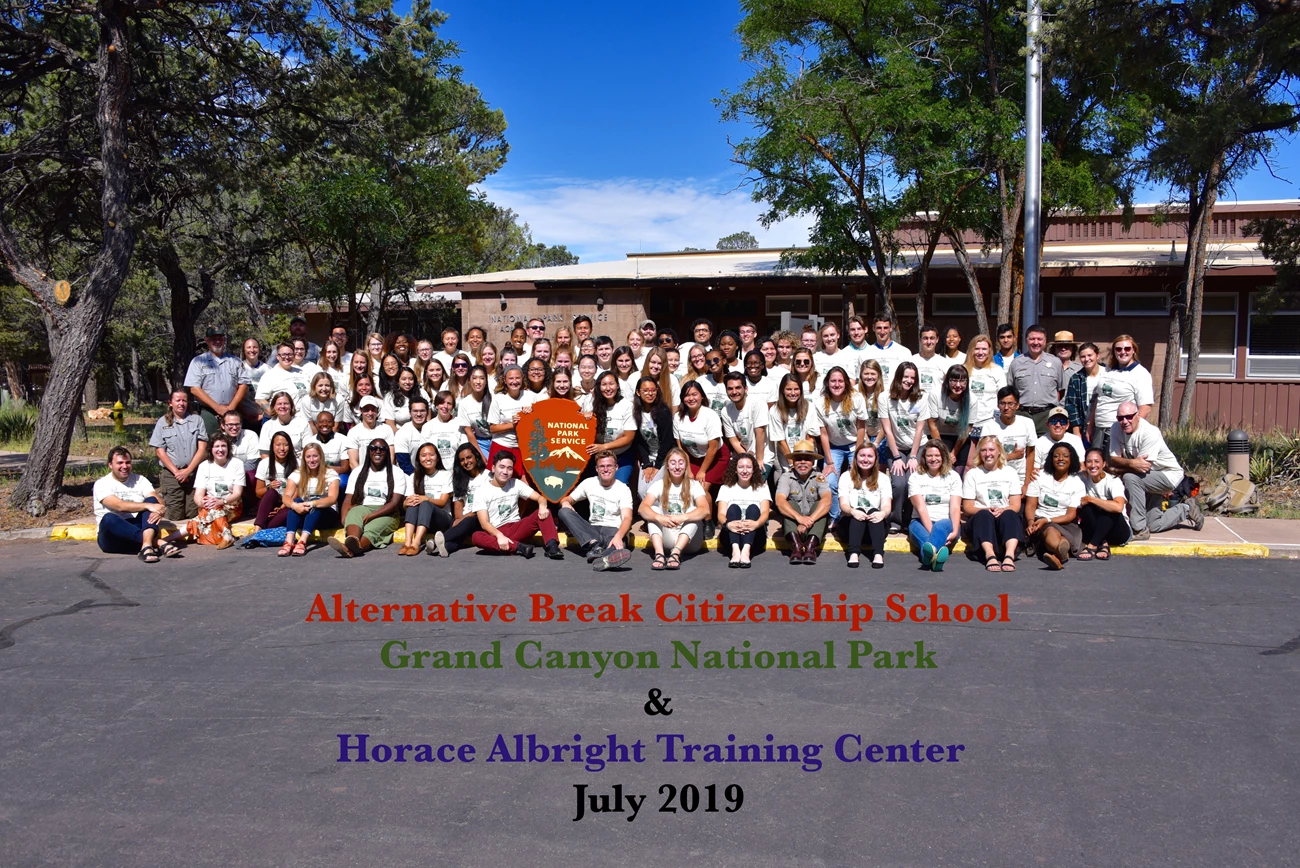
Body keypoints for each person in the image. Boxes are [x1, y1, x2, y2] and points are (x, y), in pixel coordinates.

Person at [1107, 401, 1203, 540]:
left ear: (1137, 415)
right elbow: (1113, 458)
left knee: (1129, 478)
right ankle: (1187, 509)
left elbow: (1143, 467)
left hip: (1168, 475)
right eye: (1120, 418)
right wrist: (1131, 463)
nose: (1125, 421)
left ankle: (1139, 529)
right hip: (1148, 478)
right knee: (1153, 524)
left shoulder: (1149, 432)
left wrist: (1120, 468)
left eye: (1129, 417)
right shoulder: (1116, 428)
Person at [468, 452, 564, 559]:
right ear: (493, 468)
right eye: (502, 467)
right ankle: (519, 547)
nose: (505, 472)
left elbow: (540, 498)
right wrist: (499, 536)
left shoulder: (516, 483)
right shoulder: (481, 491)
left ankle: (552, 547)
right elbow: (484, 523)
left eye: (509, 468)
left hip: (517, 528)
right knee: (476, 536)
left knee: (544, 512)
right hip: (496, 531)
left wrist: (542, 505)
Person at [327, 437, 407, 556]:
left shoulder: (397, 472)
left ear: (387, 452)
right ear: (368, 451)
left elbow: (394, 502)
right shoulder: (358, 471)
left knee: (372, 529)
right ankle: (352, 541)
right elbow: (348, 499)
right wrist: (344, 519)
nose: (378, 451)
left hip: (387, 511)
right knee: (354, 513)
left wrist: (372, 515)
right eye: (373, 448)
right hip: (363, 508)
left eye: (382, 449)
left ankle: (352, 548)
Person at [559, 450, 635, 571]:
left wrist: (619, 536)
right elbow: (567, 498)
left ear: (616, 467)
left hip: (612, 531)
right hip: (593, 530)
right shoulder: (589, 483)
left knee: (618, 546)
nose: (606, 469)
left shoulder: (623, 489)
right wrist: (566, 502)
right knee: (564, 512)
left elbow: (627, 518)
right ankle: (595, 547)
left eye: (609, 466)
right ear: (597, 469)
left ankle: (603, 557)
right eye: (602, 466)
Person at [93, 447, 174, 560]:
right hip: (112, 538)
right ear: (110, 465)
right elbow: (119, 506)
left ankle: (146, 547)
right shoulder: (102, 484)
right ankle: (157, 543)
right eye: (120, 463)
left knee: (151, 501)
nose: (125, 466)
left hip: (137, 528)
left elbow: (157, 501)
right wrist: (147, 506)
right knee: (108, 518)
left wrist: (160, 509)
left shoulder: (140, 480)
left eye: (128, 462)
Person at [639, 447, 711, 570]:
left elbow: (705, 510)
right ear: (667, 466)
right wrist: (659, 518)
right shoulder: (658, 485)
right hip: (668, 536)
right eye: (673, 463)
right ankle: (659, 554)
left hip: (690, 541)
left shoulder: (694, 485)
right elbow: (642, 508)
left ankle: (676, 554)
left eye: (681, 462)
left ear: (686, 465)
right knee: (653, 510)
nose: (677, 467)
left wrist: (683, 517)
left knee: (693, 510)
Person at [962, 435, 1025, 572]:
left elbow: (1016, 505)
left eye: (991, 449)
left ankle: (1009, 555)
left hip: (1003, 518)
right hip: (981, 520)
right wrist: (987, 509)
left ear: (999, 452)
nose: (987, 454)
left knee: (1010, 514)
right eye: (983, 450)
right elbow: (967, 507)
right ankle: (989, 555)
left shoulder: (1010, 472)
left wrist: (1002, 510)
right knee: (984, 514)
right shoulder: (973, 474)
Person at [816, 366, 866, 523]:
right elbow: (823, 434)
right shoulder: (820, 402)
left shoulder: (856, 398)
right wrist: (829, 462)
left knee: (857, 479)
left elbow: (861, 428)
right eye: (833, 381)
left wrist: (857, 457)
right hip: (834, 447)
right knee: (829, 482)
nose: (836, 385)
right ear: (827, 383)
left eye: (840, 381)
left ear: (846, 383)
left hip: (855, 445)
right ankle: (836, 517)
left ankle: (854, 514)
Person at [1025, 441, 1086, 569]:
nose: (1060, 459)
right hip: (1040, 521)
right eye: (1056, 456)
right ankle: (1062, 551)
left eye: (1065, 456)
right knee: (1051, 531)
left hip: (1066, 523)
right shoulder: (1039, 476)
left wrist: (1047, 520)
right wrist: (1031, 522)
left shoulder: (1077, 483)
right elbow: (1031, 505)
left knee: (1051, 530)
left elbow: (1070, 515)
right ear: (1051, 459)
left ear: (1072, 459)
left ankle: (1059, 553)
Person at [151, 389, 208, 522]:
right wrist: (177, 472)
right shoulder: (162, 422)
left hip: (193, 473)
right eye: (178, 400)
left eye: (184, 400)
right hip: (172, 475)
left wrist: (188, 471)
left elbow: (202, 448)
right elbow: (160, 451)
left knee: (193, 513)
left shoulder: (197, 420)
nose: (181, 403)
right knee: (175, 516)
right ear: (170, 403)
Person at [1092, 335, 1154, 455]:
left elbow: (1145, 407)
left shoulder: (1140, 374)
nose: (1123, 352)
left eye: (1127, 349)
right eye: (1118, 349)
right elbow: (1099, 398)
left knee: (1113, 466)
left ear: (1134, 350)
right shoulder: (1109, 370)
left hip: (1118, 430)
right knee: (1097, 465)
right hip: (1099, 427)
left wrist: (1128, 430)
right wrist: (1090, 426)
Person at [775, 438, 833, 565]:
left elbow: (827, 500)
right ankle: (795, 548)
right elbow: (779, 501)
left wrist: (808, 520)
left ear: (812, 462)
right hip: (794, 527)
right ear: (793, 462)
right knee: (788, 503)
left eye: (807, 459)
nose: (802, 462)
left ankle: (810, 548)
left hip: (814, 527)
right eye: (798, 459)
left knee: (820, 504)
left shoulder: (819, 477)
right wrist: (799, 518)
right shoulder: (786, 477)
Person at [907, 439, 962, 571]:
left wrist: (954, 531)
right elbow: (921, 508)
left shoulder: (953, 476)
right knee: (928, 540)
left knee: (938, 529)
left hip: (947, 523)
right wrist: (936, 535)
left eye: (937, 455)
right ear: (924, 458)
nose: (933, 459)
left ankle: (928, 559)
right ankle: (936, 560)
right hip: (920, 522)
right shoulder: (915, 477)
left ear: (943, 457)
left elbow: (955, 507)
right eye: (929, 456)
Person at [882, 362, 925, 528]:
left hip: (917, 446)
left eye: (912, 378)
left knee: (912, 480)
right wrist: (897, 457)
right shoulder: (885, 398)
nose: (909, 381)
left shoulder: (921, 397)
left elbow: (920, 429)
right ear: (898, 376)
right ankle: (896, 519)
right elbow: (887, 429)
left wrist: (914, 456)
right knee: (899, 483)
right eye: (905, 376)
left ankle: (909, 519)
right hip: (896, 447)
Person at [279, 441, 341, 556]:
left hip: (326, 515)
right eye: (308, 457)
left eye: (315, 456)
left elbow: (332, 498)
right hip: (306, 513)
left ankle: (302, 541)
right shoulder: (297, 473)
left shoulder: (330, 474)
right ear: (304, 459)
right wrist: (294, 505)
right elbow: (286, 497)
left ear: (321, 457)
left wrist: (313, 503)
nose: (312, 460)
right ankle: (288, 541)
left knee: (316, 506)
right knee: (297, 501)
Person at [185, 327, 250, 436]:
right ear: (207, 340)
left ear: (224, 340)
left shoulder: (235, 361)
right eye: (213, 339)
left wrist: (230, 408)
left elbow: (243, 386)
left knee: (233, 444)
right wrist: (217, 408)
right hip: (208, 411)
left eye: (220, 338)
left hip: (232, 411)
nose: (217, 341)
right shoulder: (198, 362)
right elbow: (194, 389)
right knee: (210, 444)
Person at [1006, 325, 1067, 436]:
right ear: (1026, 340)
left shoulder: (1055, 362)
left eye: (1039, 339)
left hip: (1047, 415)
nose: (1036, 342)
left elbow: (1060, 391)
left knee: (1046, 449)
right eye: (1032, 339)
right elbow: (1011, 390)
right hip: (1022, 414)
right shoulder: (1016, 363)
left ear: (1045, 341)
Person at [186, 433, 244, 549]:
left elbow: (237, 493)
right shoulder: (204, 466)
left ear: (228, 448)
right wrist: (202, 503)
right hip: (209, 505)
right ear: (211, 449)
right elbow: (198, 494)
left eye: (223, 446)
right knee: (210, 507)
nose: (220, 450)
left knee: (211, 509)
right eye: (216, 446)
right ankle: (227, 536)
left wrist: (220, 501)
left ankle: (168, 540)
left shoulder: (237, 464)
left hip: (231, 505)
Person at [838, 442, 891, 568]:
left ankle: (878, 554)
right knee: (859, 509)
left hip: (874, 528)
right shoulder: (846, 477)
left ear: (875, 459)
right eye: (862, 456)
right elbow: (843, 504)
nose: (865, 459)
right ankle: (853, 553)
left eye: (870, 456)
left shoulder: (883, 478)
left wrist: (882, 513)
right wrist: (853, 512)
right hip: (850, 527)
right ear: (856, 458)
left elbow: (886, 506)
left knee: (874, 510)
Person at [716, 452, 770, 568]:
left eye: (748, 467)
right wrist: (728, 525)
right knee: (733, 507)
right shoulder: (726, 488)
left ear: (754, 470)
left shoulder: (762, 487)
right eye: (741, 467)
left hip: (755, 537)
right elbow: (721, 514)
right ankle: (735, 551)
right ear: (735, 469)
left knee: (754, 508)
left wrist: (756, 524)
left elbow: (765, 513)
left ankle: (746, 551)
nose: (745, 471)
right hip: (730, 537)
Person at [399, 443, 453, 556]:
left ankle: (416, 542)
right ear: (418, 458)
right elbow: (406, 503)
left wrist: (426, 499)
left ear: (437, 458)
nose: (428, 458)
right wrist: (406, 503)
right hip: (422, 521)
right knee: (413, 502)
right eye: (423, 455)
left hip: (442, 519)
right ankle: (407, 542)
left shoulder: (445, 475)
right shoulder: (414, 476)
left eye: (431, 455)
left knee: (425, 503)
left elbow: (443, 502)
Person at [1078, 447, 1130, 560]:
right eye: (1089, 461)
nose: (1093, 465)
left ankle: (1092, 546)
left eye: (1097, 461)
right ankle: (1103, 544)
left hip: (1118, 532)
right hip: (1094, 529)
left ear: (1104, 464)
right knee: (1087, 508)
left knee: (1110, 509)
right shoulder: (1081, 478)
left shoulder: (1113, 481)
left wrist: (1092, 499)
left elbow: (1119, 507)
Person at [674, 380, 727, 488]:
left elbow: (713, 448)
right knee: (686, 486)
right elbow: (681, 448)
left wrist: (702, 471)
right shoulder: (677, 417)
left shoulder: (710, 416)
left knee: (701, 489)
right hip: (693, 458)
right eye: (687, 395)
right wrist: (688, 470)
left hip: (716, 457)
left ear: (702, 396)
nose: (691, 398)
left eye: (694, 394)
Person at [588, 371, 637, 484]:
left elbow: (629, 437)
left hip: (621, 454)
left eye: (611, 383)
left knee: (619, 484)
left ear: (618, 385)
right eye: (604, 384)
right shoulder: (591, 402)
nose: (608, 388)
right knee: (596, 485)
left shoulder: (627, 406)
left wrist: (604, 447)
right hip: (597, 454)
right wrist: (585, 416)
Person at [769, 373, 821, 477]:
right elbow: (781, 441)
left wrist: (803, 461)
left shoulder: (809, 407)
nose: (793, 393)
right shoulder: (774, 410)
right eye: (789, 389)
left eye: (796, 389)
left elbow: (810, 437)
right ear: (782, 391)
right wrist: (792, 463)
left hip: (807, 456)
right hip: (787, 460)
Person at [964, 335, 1007, 458]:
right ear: (971, 350)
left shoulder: (996, 370)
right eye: (977, 349)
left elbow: (1002, 397)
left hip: (989, 422)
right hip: (968, 423)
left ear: (989, 351)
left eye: (984, 349)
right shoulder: (964, 369)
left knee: (988, 459)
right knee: (969, 463)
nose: (980, 352)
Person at [721, 371, 769, 481]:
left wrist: (758, 460)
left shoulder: (758, 404)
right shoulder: (725, 411)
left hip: (763, 454)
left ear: (746, 389)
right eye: (730, 389)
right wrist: (747, 459)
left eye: (738, 387)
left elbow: (760, 433)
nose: (734, 392)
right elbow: (733, 440)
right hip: (744, 455)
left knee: (757, 481)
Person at [632, 375, 674, 500]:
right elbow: (639, 441)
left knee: (654, 490)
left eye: (653, 390)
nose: (650, 394)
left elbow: (667, 441)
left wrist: (657, 466)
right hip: (649, 457)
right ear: (638, 392)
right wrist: (647, 463)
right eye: (645, 390)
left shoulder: (663, 412)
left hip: (665, 457)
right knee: (642, 491)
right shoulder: (636, 412)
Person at [987, 387, 1036, 492]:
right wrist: (1010, 457)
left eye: (1011, 404)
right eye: (1002, 403)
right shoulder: (989, 426)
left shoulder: (1027, 423)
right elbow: (984, 457)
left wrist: (1026, 484)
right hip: (995, 476)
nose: (1006, 407)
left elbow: (1030, 454)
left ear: (1017, 405)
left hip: (1020, 478)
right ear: (997, 405)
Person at [922, 365, 972, 466]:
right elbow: (933, 426)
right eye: (954, 380)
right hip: (938, 435)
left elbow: (966, 430)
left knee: (959, 469)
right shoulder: (935, 395)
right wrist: (944, 453)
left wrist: (953, 453)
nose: (958, 385)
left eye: (963, 381)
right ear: (947, 381)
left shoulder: (972, 400)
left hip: (959, 437)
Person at [487, 365, 535, 467]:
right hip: (502, 445)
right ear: (504, 380)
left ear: (522, 378)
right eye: (511, 378)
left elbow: (539, 422)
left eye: (517, 378)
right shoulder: (498, 398)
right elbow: (492, 428)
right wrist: (512, 424)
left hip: (524, 447)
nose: (514, 381)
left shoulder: (530, 396)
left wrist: (531, 415)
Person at [254, 431, 297, 529]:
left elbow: (297, 493)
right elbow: (258, 492)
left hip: (287, 504)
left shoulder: (297, 464)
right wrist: (269, 487)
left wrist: (281, 507)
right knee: (271, 492)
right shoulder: (264, 463)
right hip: (269, 503)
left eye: (285, 445)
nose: (282, 449)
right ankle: (257, 529)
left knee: (274, 522)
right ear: (272, 446)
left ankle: (263, 526)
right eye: (278, 445)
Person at [1064, 341, 1103, 446]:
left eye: (1090, 355)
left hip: (1104, 425)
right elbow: (1071, 406)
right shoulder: (1076, 378)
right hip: (1084, 426)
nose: (1086, 359)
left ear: (1097, 355)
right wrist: (1077, 432)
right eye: (1083, 357)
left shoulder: (1108, 374)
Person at [255, 342, 308, 414]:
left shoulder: (302, 372)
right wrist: (274, 414)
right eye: (284, 354)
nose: (287, 357)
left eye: (290, 354)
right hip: (282, 420)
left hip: (303, 418)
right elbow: (260, 399)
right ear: (277, 356)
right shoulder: (270, 375)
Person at [345, 395, 395, 468]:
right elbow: (353, 462)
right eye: (366, 410)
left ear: (377, 411)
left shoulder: (387, 429)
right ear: (360, 411)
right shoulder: (353, 432)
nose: (370, 413)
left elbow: (391, 458)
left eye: (373, 409)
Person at [864, 313, 912, 389]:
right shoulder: (866, 353)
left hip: (896, 397)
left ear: (891, 328)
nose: (882, 331)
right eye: (879, 328)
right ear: (873, 328)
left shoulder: (904, 352)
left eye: (885, 328)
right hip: (873, 398)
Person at [1033, 406, 1086, 472]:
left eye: (1062, 422)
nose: (1058, 425)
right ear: (1047, 424)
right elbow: (1035, 469)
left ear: (1067, 425)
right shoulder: (1039, 443)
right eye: (1054, 421)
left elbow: (1081, 466)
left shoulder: (1075, 440)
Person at [456, 366, 493, 460]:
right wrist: (481, 455)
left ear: (486, 380)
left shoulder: (495, 400)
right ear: (469, 381)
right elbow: (469, 432)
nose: (478, 382)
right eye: (474, 378)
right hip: (479, 442)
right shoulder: (464, 403)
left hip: (496, 439)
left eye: (482, 378)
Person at [258, 391, 310, 458]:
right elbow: (264, 453)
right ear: (274, 406)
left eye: (286, 403)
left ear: (291, 406)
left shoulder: (303, 424)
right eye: (279, 404)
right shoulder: (267, 426)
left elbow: (309, 450)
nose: (282, 406)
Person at [910, 324, 949, 394]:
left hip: (937, 404)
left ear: (937, 339)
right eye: (925, 338)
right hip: (916, 403)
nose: (928, 342)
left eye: (932, 338)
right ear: (920, 340)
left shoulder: (944, 363)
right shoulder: (911, 361)